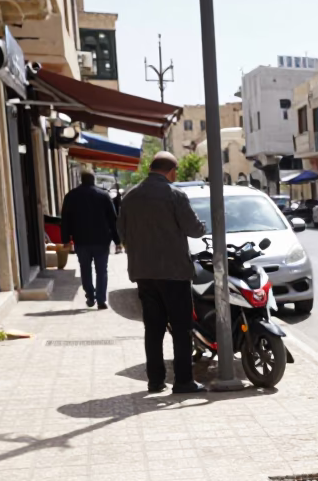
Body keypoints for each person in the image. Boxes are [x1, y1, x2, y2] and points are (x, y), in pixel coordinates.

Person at [117, 151, 208, 395]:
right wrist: (203, 226)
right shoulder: (174, 195)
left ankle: (155, 381)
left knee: (153, 328)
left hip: (143, 272)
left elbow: (121, 232)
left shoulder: (131, 196)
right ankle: (183, 381)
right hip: (174, 273)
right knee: (181, 328)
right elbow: (194, 229)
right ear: (172, 171)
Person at [60, 169, 120, 309]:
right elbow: (113, 220)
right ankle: (101, 299)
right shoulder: (104, 196)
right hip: (101, 240)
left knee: (85, 269)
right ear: (94, 180)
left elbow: (65, 220)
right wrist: (117, 241)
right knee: (101, 270)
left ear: (81, 179)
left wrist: (66, 240)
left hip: (81, 240)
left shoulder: (71, 196)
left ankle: (90, 296)